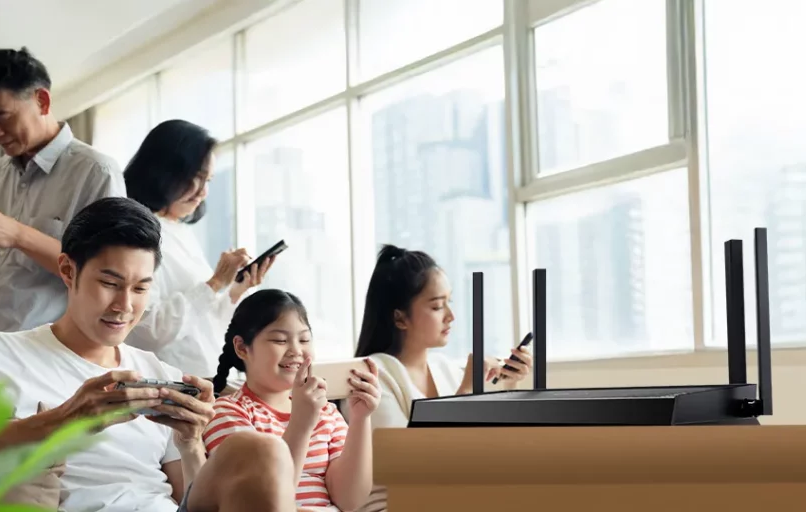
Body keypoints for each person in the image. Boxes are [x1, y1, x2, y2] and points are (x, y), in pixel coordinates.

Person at [0, 197, 299, 512]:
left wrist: (189, 442)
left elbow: (188, 496)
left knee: (263, 450)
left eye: (141, 288)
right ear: (68, 270)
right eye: (110, 283)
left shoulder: (154, 370)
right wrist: (66, 420)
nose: (125, 306)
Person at [0, 46, 125, 348]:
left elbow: (108, 278)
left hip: (42, 365)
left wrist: (17, 234)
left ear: (42, 100)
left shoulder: (96, 172)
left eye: (1, 116)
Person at [347, 244, 533, 512]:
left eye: (450, 302)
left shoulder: (446, 370)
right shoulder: (369, 376)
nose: (451, 316)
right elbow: (405, 465)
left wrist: (509, 382)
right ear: (400, 318)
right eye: (437, 306)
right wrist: (468, 388)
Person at [203, 290, 380, 512]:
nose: (296, 351)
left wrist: (360, 419)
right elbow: (259, 500)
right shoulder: (227, 411)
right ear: (241, 347)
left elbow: (350, 500)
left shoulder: (326, 412)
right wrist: (302, 423)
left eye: (304, 339)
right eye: (280, 340)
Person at [124, 119, 274, 377]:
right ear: (165, 171)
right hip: (168, 383)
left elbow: (206, 321)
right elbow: (149, 330)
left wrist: (236, 288)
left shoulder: (180, 231)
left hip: (207, 377)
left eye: (209, 181)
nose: (203, 192)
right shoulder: (134, 232)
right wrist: (215, 283)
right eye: (197, 178)